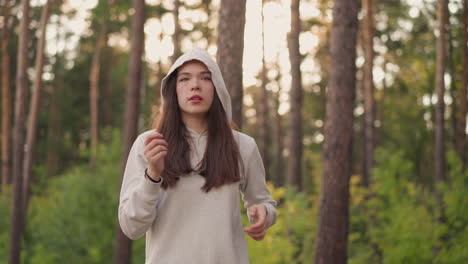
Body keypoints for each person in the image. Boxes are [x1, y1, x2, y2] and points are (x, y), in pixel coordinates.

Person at [118, 48, 277, 264]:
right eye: (185, 79)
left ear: (217, 88)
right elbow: (131, 227)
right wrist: (153, 174)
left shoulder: (243, 146)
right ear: (173, 90)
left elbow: (262, 201)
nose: (195, 85)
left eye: (205, 78)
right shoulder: (149, 144)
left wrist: (264, 214)